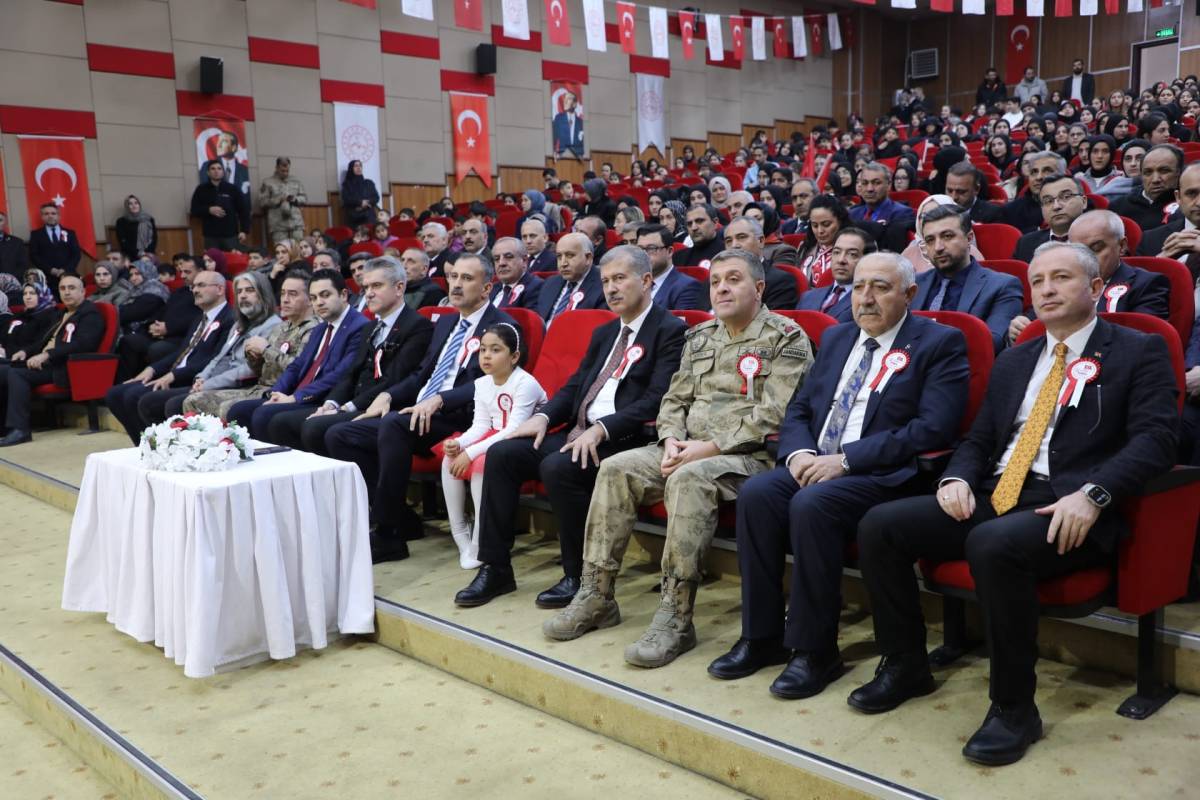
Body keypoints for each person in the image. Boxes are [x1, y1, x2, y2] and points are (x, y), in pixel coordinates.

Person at [852, 242, 1177, 766]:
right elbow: (980, 439)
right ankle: (905, 664)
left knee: (993, 543)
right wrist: (956, 477)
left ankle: (1012, 708)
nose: (1046, 289)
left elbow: (1158, 439)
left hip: (1071, 503)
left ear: (1095, 288)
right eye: (1038, 280)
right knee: (881, 526)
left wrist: (1094, 494)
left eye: (1062, 278)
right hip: (999, 491)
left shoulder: (1139, 350)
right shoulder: (1017, 357)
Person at [541, 249, 814, 669]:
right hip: (686, 448)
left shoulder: (787, 337)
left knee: (689, 480)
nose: (721, 287)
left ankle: (676, 616)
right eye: (716, 280)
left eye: (734, 279)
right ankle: (596, 594)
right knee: (616, 468)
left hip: (750, 457)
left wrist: (706, 448)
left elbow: (775, 415)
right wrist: (670, 440)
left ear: (758, 288)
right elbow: (673, 401)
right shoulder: (700, 337)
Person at [709, 252, 969, 692]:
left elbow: (932, 427)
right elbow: (801, 409)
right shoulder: (836, 339)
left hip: (886, 473)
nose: (865, 298)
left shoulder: (939, 343)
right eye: (859, 287)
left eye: (880, 288)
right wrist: (797, 455)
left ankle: (815, 651)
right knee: (757, 494)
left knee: (813, 505)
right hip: (817, 461)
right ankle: (762, 636)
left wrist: (846, 459)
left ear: (909, 293)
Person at [452, 246, 687, 607]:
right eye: (606, 281)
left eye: (620, 279)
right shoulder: (605, 331)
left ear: (646, 280)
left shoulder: (670, 330)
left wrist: (603, 428)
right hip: (579, 429)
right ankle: (496, 567)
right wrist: (542, 418)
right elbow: (576, 386)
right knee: (503, 454)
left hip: (625, 438)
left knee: (558, 466)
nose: (610, 288)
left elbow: (657, 398)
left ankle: (578, 575)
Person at [324, 253, 513, 563]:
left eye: (467, 279)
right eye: (453, 277)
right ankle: (400, 517)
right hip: (421, 409)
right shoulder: (448, 322)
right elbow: (421, 374)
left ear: (487, 288)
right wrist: (390, 395)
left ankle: (390, 535)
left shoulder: (503, 325)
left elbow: (493, 383)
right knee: (340, 434)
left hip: (461, 415)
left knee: (394, 425)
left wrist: (441, 399)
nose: (456, 284)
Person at [264, 256, 434, 455]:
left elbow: (394, 379)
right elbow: (351, 375)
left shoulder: (417, 326)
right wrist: (331, 403)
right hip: (354, 403)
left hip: (382, 407)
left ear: (399, 288)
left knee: (315, 428)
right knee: (279, 422)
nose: (368, 294)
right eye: (366, 287)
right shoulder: (371, 326)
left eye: (376, 286)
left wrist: (346, 408)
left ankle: (352, 485)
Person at [440, 323, 547, 569]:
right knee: (449, 459)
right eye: (483, 349)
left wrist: (472, 452)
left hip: (524, 439)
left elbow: (514, 429)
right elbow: (479, 426)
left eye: (496, 350)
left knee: (480, 464)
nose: (486, 355)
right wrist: (459, 443)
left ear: (514, 356)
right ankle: (460, 534)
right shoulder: (482, 384)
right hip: (494, 436)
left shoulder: (525, 383)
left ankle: (481, 536)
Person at [226, 270, 368, 440]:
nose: (319, 303)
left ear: (344, 295)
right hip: (299, 393)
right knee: (239, 410)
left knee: (264, 414)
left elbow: (341, 374)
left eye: (325, 295)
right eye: (314, 298)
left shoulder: (359, 326)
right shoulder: (322, 328)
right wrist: (276, 393)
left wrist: (295, 397)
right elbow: (297, 366)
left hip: (323, 397)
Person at [104, 271, 235, 444]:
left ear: (219, 289)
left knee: (134, 396)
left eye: (201, 285)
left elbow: (215, 359)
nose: (195, 290)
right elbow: (182, 352)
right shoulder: (199, 319)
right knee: (114, 394)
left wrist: (173, 375)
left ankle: (159, 446)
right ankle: (143, 445)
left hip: (195, 378)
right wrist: (152, 369)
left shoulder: (230, 318)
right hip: (176, 374)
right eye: (193, 286)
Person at [184, 269, 318, 419]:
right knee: (193, 401)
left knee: (227, 408)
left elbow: (301, 368)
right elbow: (260, 369)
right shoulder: (281, 328)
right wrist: (253, 356)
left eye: (292, 294)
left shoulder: (313, 329)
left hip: (281, 392)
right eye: (283, 293)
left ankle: (227, 442)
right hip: (259, 388)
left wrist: (266, 349)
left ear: (310, 299)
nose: (285, 299)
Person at [150, 271, 282, 421]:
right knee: (154, 401)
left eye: (250, 290)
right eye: (239, 292)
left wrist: (209, 384)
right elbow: (220, 357)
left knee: (171, 404)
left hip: (244, 385)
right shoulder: (239, 324)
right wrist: (202, 378)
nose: (243, 296)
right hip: (218, 381)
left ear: (263, 294)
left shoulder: (273, 326)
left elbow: (248, 369)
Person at [0, 275, 106, 446]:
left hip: (64, 367)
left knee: (16, 374)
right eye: (63, 289)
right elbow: (42, 341)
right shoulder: (61, 313)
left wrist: (47, 355)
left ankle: (20, 430)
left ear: (83, 292)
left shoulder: (90, 314)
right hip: (46, 363)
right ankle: (5, 428)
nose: (67, 292)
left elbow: (83, 344)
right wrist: (25, 351)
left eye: (71, 288)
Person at [915, 205, 1024, 352]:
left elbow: (991, 343)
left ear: (969, 238)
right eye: (930, 240)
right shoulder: (913, 285)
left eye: (947, 236)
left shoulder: (1002, 286)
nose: (938, 247)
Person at [796, 228, 875, 323]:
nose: (841, 260)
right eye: (836, 252)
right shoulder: (808, 297)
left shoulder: (869, 301)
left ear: (868, 260)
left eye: (852, 254)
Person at [723, 216, 798, 311]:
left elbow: (773, 324)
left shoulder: (780, 281)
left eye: (741, 237)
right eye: (729, 241)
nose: (734, 246)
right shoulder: (715, 281)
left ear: (761, 241)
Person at [1011, 174, 1087, 263]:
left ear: (1084, 201)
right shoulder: (1026, 243)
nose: (1056, 206)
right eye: (1048, 201)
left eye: (1066, 197)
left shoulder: (1099, 236)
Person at [1140, 161, 1200, 269]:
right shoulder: (1150, 240)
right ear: (1178, 197)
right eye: (1191, 193)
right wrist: (1160, 262)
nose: (1199, 202)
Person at [1111, 144, 1183, 233]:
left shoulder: (1189, 205)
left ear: (1179, 172)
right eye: (1148, 172)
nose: (1155, 179)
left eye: (1164, 171)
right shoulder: (1117, 207)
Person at [535, 232, 606, 322]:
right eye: (559, 256)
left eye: (570, 255)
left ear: (588, 258)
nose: (563, 263)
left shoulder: (603, 286)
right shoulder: (550, 283)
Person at [636, 224, 705, 311]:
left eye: (651, 248)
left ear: (669, 251)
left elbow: (680, 324)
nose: (644, 254)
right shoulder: (633, 283)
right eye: (640, 249)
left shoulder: (686, 286)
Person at [190, 160, 250, 250]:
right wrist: (208, 210)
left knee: (232, 261)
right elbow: (194, 210)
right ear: (208, 172)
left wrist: (244, 230)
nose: (216, 171)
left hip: (231, 234)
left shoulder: (232, 189)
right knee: (213, 262)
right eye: (213, 169)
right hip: (210, 236)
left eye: (219, 168)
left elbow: (243, 211)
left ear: (223, 172)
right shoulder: (201, 189)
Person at [1003, 152, 1067, 233]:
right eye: (1034, 172)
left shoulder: (1075, 205)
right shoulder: (1011, 211)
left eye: (1047, 171)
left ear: (1063, 176)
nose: (1039, 177)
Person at [797, 195, 850, 288]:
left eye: (826, 224)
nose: (820, 231)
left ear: (840, 221)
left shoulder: (852, 250)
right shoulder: (805, 248)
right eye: (815, 225)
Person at [849, 163, 916, 233]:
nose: (869, 189)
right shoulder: (853, 214)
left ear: (889, 185)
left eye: (876, 183)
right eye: (865, 183)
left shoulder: (902, 213)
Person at [28, 203, 81, 283]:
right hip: (47, 277)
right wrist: (50, 270)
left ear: (59, 216)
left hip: (68, 275)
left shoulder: (70, 233)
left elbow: (76, 254)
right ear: (42, 217)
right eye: (46, 214)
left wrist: (65, 269)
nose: (50, 216)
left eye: (53, 213)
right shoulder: (36, 234)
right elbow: (34, 256)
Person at [488, 237, 544, 311]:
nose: (501, 263)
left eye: (508, 257)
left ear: (524, 261)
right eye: (496, 259)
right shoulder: (491, 289)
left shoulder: (536, 287)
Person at [261, 157, 308, 244]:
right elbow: (263, 202)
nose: (285, 173)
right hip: (278, 225)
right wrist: (278, 200)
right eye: (282, 171)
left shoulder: (295, 181)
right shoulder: (267, 182)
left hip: (296, 223)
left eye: (287, 171)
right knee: (282, 251)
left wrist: (294, 199)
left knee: (299, 250)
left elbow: (304, 198)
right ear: (276, 168)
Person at [114, 195, 157, 261]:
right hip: (130, 256)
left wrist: (146, 254)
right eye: (130, 204)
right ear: (127, 206)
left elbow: (154, 238)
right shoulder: (121, 221)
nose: (134, 206)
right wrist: (138, 253)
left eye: (136, 203)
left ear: (139, 205)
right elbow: (123, 241)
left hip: (148, 255)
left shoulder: (149, 219)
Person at [0, 212, 27, 293]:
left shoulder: (17, 243)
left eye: (0, 220)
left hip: (13, 287)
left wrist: (8, 280)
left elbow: (23, 265)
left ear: (6, 224)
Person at [552, 90, 585, 158]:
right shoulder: (558, 118)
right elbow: (554, 138)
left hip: (577, 156)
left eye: (569, 99)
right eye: (565, 99)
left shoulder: (580, 122)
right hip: (561, 155)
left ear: (575, 104)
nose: (565, 101)